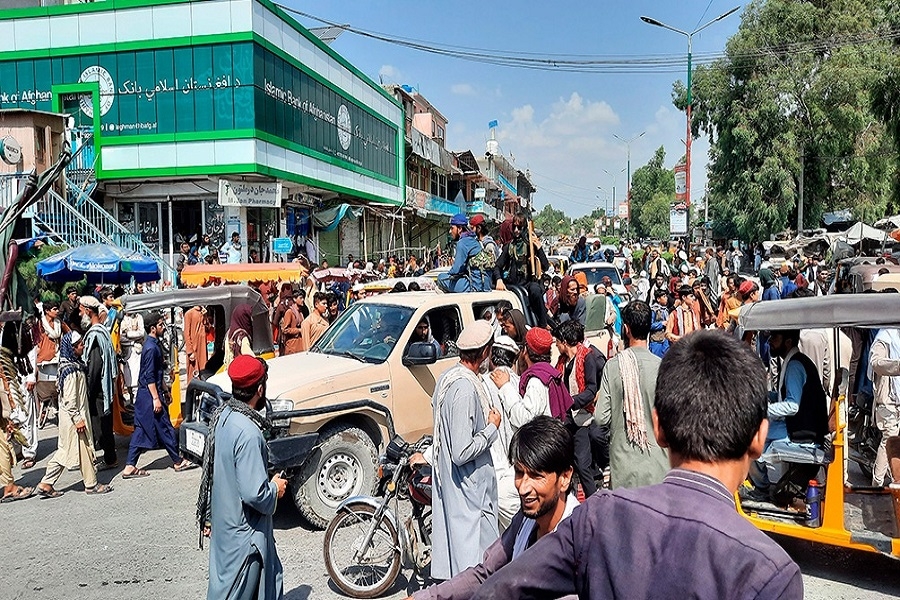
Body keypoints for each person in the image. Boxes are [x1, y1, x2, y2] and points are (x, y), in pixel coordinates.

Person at [471, 330, 803, 600]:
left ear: (658, 428)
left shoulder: (597, 518)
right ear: (760, 436)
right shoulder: (770, 572)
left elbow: (501, 587)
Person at [408, 416, 579, 600]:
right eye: (519, 473)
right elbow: (485, 574)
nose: (523, 487)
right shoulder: (524, 521)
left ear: (564, 477)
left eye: (536, 476)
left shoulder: (578, 540)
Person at [410, 321, 501, 580]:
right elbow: (461, 451)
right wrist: (492, 429)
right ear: (484, 352)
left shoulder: (450, 377)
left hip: (464, 487)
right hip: (468, 489)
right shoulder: (463, 388)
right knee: (473, 564)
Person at [199, 355, 286, 599]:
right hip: (244, 539)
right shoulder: (248, 432)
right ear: (260, 388)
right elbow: (254, 493)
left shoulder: (222, 416)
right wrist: (275, 488)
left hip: (225, 531)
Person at [745, 329, 829, 503]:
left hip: (800, 429)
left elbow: (792, 405)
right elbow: (787, 397)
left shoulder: (795, 366)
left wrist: (764, 410)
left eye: (775, 338)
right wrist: (766, 395)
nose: (770, 342)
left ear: (788, 342)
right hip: (800, 424)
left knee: (750, 438)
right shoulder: (794, 362)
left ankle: (761, 488)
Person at [596, 300, 669, 489]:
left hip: (623, 469)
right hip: (659, 468)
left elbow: (600, 418)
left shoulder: (613, 366)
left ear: (626, 329)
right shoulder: (663, 368)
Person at [35, 332, 113, 498]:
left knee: (76, 450)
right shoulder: (70, 371)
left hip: (75, 417)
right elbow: (70, 400)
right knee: (68, 451)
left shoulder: (73, 365)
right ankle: (53, 482)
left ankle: (53, 483)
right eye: (80, 345)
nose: (83, 346)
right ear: (72, 348)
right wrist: (78, 420)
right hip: (74, 419)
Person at [121, 312, 195, 478]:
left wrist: (166, 390)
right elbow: (148, 377)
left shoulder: (152, 345)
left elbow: (157, 372)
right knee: (165, 427)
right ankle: (177, 461)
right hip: (149, 395)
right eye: (161, 325)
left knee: (141, 430)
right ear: (153, 328)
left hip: (147, 395)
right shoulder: (151, 348)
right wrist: (156, 398)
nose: (164, 327)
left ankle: (129, 466)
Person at [556, 319, 608, 498]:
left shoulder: (587, 357)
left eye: (557, 341)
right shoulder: (562, 361)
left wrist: (573, 401)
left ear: (564, 341)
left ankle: (593, 500)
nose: (556, 345)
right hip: (568, 417)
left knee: (582, 463)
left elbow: (591, 389)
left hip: (583, 415)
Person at [481, 335, 522, 529]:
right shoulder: (522, 383)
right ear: (515, 360)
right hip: (520, 471)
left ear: (490, 358)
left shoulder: (481, 384)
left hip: (497, 476)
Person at [81, 295, 118, 470]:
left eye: (81, 310)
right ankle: (110, 457)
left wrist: (88, 390)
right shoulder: (102, 331)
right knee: (104, 424)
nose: (80, 313)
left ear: (88, 311)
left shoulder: (95, 335)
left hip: (98, 390)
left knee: (102, 426)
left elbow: (95, 367)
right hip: (104, 388)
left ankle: (110, 459)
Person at [494, 214, 550, 327]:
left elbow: (545, 266)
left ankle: (543, 325)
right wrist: (499, 280)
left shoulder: (530, 245)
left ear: (524, 228)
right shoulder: (509, 247)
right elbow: (497, 266)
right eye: (514, 227)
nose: (516, 231)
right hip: (514, 285)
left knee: (535, 290)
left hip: (528, 284)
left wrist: (538, 247)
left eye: (519, 228)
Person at [868, 328, 900, 487]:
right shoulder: (885, 337)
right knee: (890, 437)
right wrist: (897, 366)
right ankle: (877, 483)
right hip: (888, 399)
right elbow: (876, 363)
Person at [437, 213, 488, 293]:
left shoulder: (462, 243)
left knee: (441, 278)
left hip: (473, 286)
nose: (450, 231)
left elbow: (456, 270)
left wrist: (449, 273)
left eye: (452, 228)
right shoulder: (473, 239)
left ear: (460, 228)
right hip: (484, 284)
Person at [119, 309, 145, 403]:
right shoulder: (121, 319)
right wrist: (133, 339)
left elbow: (141, 333)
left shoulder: (138, 317)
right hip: (126, 351)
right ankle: (131, 399)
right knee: (128, 378)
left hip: (137, 350)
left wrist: (129, 334)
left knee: (136, 377)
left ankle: (136, 400)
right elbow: (120, 337)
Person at [184, 305, 209, 385]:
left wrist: (205, 316)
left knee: (203, 368)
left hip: (203, 346)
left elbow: (208, 329)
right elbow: (186, 333)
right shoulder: (189, 314)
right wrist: (190, 351)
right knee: (193, 372)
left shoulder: (203, 312)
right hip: (194, 347)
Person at [225, 303, 255, 368]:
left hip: (231, 368)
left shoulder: (231, 331)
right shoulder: (242, 337)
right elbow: (250, 357)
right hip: (240, 369)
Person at [279, 291, 307, 355]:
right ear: (294, 299)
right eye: (300, 298)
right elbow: (285, 330)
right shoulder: (290, 312)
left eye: (303, 298)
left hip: (300, 344)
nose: (303, 300)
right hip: (292, 345)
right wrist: (298, 330)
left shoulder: (300, 312)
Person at [648, 288, 670, 358]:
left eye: (666, 296)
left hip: (665, 339)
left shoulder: (665, 310)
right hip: (656, 341)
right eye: (664, 297)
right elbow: (650, 325)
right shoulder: (654, 310)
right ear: (658, 299)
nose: (666, 298)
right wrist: (661, 324)